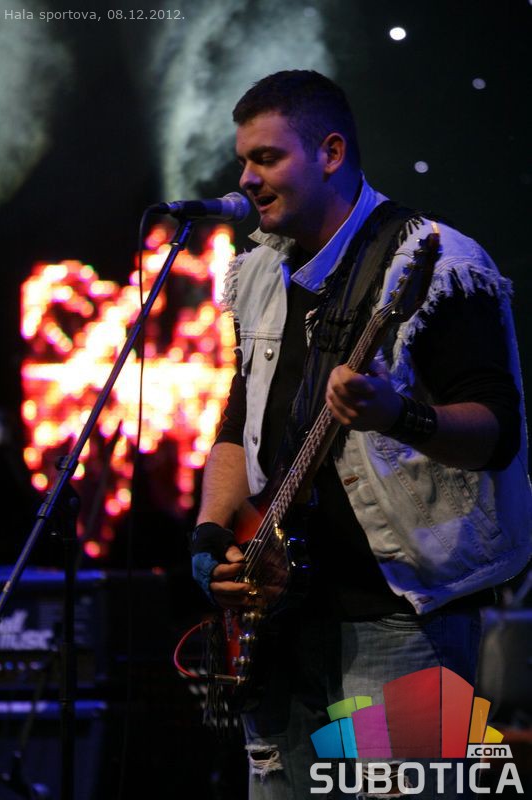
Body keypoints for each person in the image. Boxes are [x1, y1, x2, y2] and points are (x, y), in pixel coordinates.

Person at [189, 70, 532, 799]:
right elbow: (238, 423)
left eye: (266, 157)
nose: (245, 178)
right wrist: (211, 534)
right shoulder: (257, 274)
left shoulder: (434, 262)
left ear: (331, 152)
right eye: (242, 160)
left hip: (398, 618)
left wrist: (398, 415)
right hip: (281, 619)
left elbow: (496, 432)